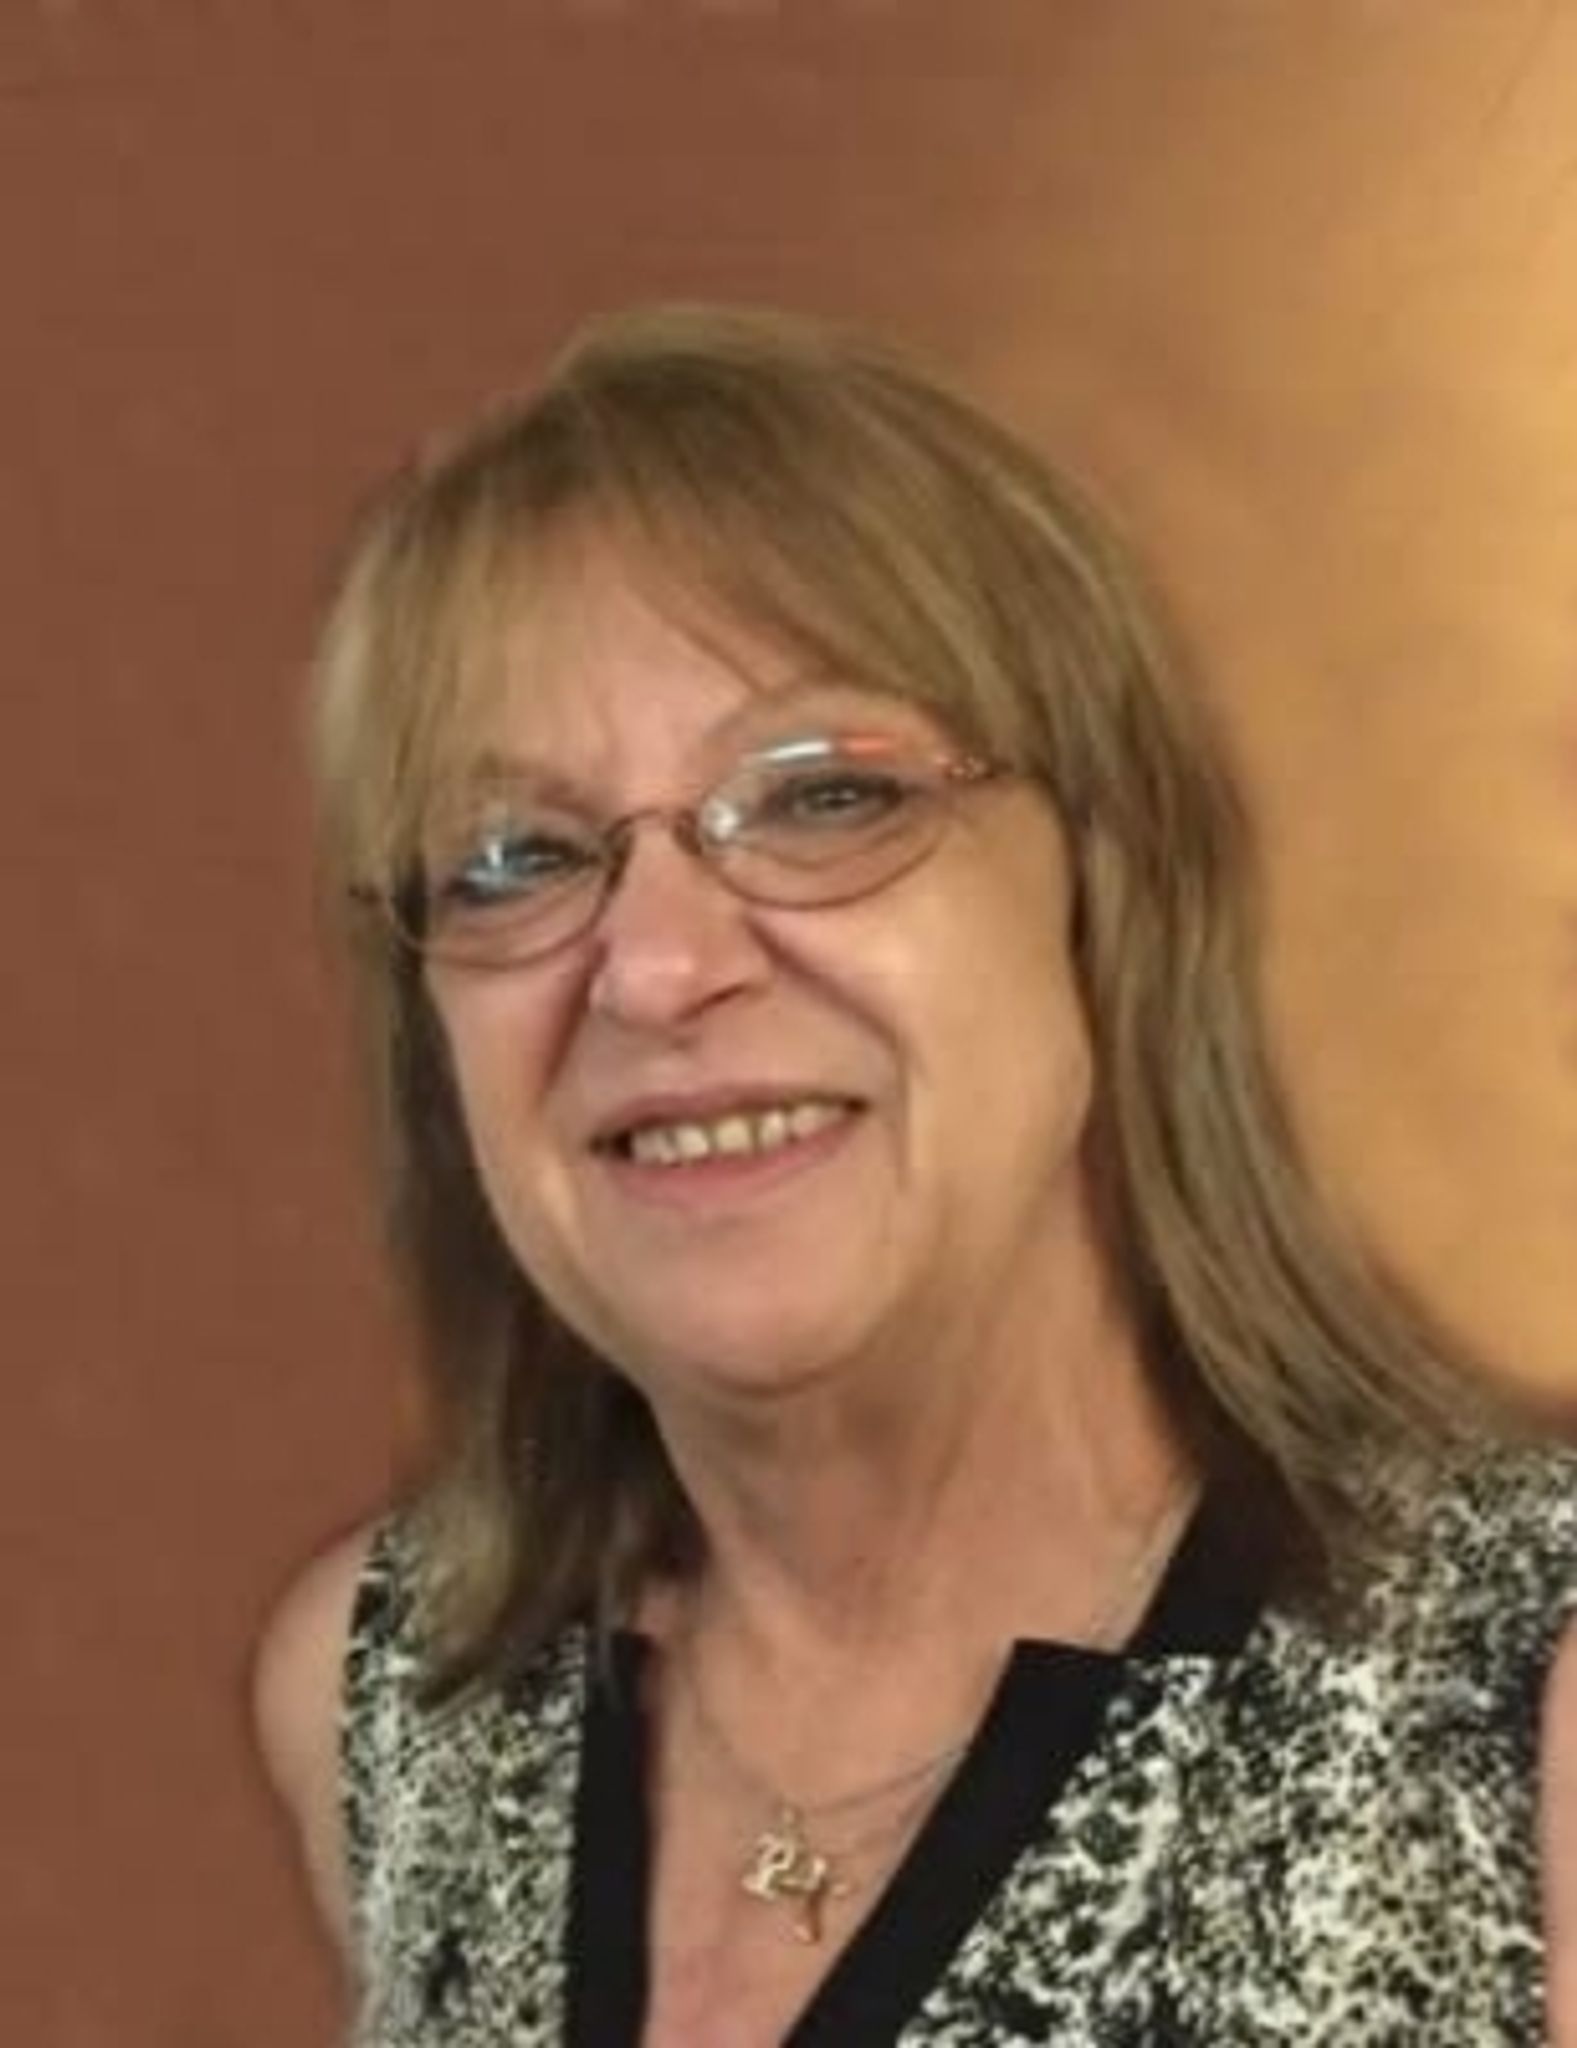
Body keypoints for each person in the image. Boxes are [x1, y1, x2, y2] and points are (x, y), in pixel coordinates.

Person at [255, 304, 1577, 2045]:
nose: (655, 966)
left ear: (1106, 889)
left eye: (821, 798)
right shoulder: (387, 1704)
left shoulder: (1520, 1700)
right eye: (519, 859)